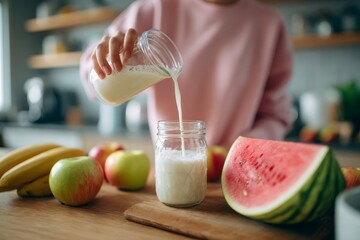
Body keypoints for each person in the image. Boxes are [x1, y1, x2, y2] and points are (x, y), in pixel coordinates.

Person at [80, 0, 293, 148]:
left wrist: (239, 149)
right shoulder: (156, 7)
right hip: (171, 157)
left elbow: (275, 116)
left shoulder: (269, 24)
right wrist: (104, 62)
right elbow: (91, 79)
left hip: (237, 166)